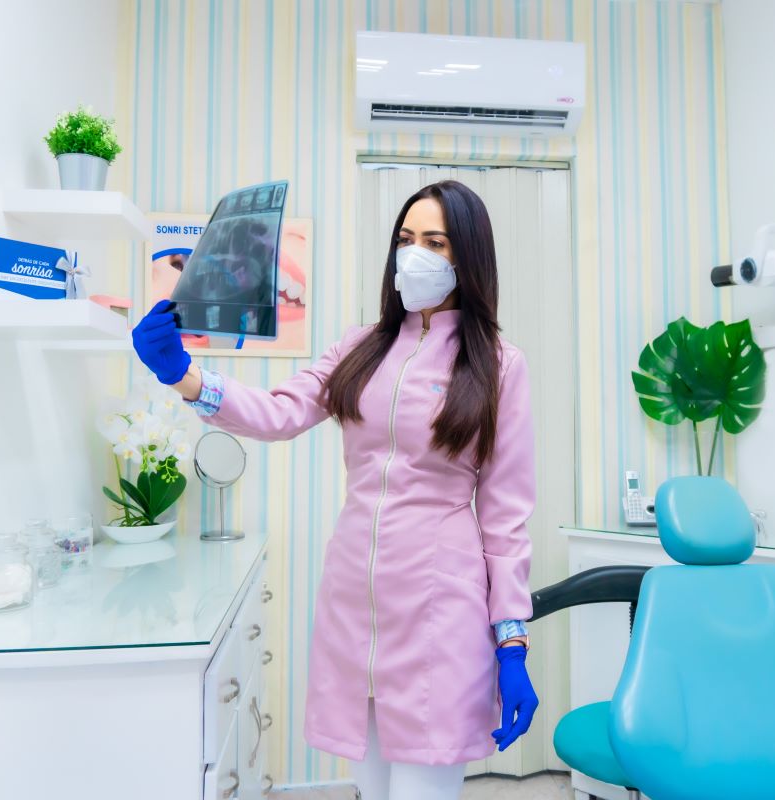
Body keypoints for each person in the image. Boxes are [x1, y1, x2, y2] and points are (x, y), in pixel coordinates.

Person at [131, 180, 538, 800]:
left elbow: (506, 516)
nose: (414, 254)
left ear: (468, 257)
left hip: (440, 616)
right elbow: (276, 412)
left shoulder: (498, 366)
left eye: (435, 242)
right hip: (355, 607)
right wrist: (184, 375)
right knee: (371, 791)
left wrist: (512, 640)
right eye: (406, 239)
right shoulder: (359, 347)